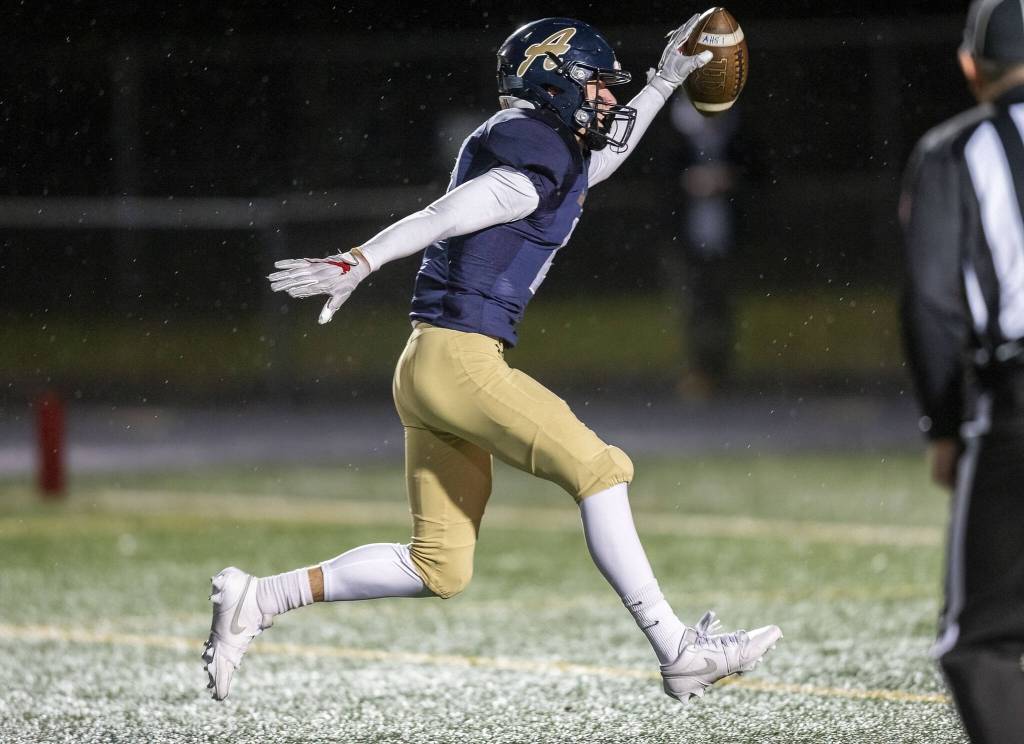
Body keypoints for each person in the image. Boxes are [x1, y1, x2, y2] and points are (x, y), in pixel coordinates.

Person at [203, 15, 782, 704]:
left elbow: (598, 162)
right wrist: (361, 259)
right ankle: (677, 648)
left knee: (439, 564)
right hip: (460, 362)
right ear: (556, 84)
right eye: (596, 87)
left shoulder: (550, 150)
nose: (605, 100)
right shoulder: (530, 161)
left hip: (425, 365)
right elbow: (447, 213)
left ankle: (259, 598)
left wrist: (663, 80)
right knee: (599, 470)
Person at [900, 1, 1024, 740]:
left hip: (1017, 405)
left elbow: (931, 301)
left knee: (981, 642)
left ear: (971, 65)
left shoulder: (955, 149)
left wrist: (944, 424)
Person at [669, 91, 742, 399]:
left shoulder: (735, 137)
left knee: (721, 309)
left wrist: (728, 180)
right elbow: (663, 185)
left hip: (724, 239)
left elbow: (757, 175)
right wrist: (689, 182)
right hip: (688, 241)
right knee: (692, 309)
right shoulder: (676, 141)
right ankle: (697, 372)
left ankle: (721, 373)